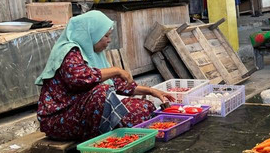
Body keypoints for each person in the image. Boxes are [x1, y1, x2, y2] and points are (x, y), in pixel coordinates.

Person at [36, 11, 175, 141]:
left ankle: (120, 135)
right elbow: (80, 79)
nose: (109, 40)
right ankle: (106, 141)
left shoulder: (94, 54)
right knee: (101, 94)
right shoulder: (69, 51)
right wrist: (116, 70)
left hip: (84, 113)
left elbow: (118, 85)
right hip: (61, 118)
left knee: (145, 108)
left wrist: (151, 91)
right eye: (106, 36)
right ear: (92, 33)